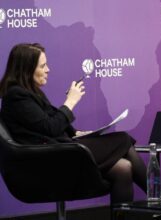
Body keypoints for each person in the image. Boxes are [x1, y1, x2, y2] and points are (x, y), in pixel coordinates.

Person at [0, 43, 147, 204]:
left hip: (60, 151)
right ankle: (158, 195)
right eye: (42, 66)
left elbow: (45, 123)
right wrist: (70, 101)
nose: (48, 69)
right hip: (50, 160)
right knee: (123, 139)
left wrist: (75, 133)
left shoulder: (30, 92)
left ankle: (154, 197)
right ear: (26, 70)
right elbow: (50, 128)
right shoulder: (16, 96)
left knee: (123, 167)